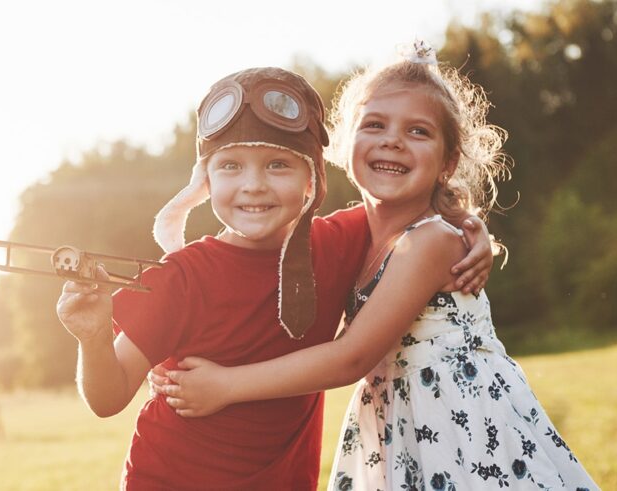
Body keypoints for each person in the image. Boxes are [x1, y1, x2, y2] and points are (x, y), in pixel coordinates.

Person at [155, 42, 599, 490]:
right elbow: (252, 284)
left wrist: (226, 385)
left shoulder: (432, 240)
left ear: (448, 161)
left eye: (418, 132)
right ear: (345, 143)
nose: (392, 140)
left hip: (460, 426)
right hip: (397, 424)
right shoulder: (357, 238)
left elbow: (353, 356)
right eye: (375, 124)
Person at [57, 66, 494, 490]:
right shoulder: (182, 276)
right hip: (172, 478)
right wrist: (93, 336)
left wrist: (470, 229)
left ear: (312, 179)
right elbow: (107, 398)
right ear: (205, 181)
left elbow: (415, 215)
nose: (254, 185)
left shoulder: (338, 243)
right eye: (230, 166)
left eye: (278, 165)